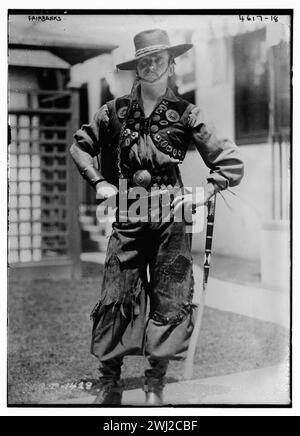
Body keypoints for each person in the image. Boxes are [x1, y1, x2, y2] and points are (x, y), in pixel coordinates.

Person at [70, 29, 244, 406]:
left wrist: (207, 190)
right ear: (137, 67)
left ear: (171, 63)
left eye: (158, 59)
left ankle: (154, 384)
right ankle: (110, 384)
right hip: (128, 213)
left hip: (172, 217)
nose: (151, 66)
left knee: (170, 295)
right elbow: (80, 147)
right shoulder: (114, 112)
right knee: (116, 295)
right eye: (144, 61)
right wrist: (99, 182)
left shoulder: (186, 113)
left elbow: (228, 160)